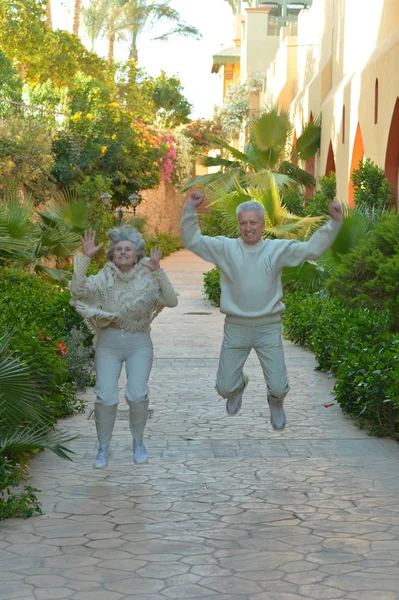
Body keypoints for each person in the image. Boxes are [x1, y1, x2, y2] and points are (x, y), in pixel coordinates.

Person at [181, 191, 343, 429]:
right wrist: (189, 209)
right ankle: (238, 387)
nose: (248, 228)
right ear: (239, 225)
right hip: (236, 327)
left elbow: (312, 250)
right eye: (243, 223)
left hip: (268, 327)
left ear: (263, 224)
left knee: (278, 387)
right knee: (224, 387)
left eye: (253, 223)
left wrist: (335, 223)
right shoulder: (225, 248)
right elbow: (192, 241)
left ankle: (275, 402)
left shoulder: (277, 249)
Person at [69, 225, 178, 468]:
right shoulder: (103, 277)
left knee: (137, 394)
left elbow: (171, 300)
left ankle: (138, 442)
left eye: (128, 249)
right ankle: (103, 446)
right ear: (112, 255)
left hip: (139, 342)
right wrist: (85, 258)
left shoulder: (148, 275)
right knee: (106, 397)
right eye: (118, 249)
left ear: (138, 253)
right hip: (108, 343)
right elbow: (78, 291)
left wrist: (159, 270)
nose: (123, 252)